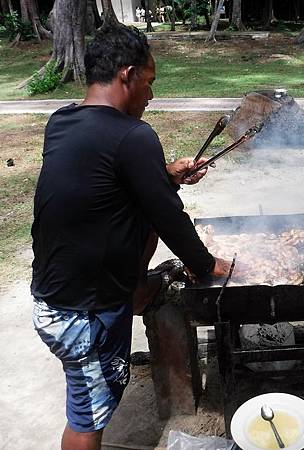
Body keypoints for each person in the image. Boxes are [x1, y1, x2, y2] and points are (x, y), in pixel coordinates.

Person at [31, 25, 231, 450]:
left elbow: (105, 191)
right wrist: (208, 265)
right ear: (127, 74)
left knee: (91, 403)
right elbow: (168, 217)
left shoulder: (62, 122)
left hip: (56, 297)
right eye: (150, 82)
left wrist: (164, 177)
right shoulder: (134, 136)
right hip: (81, 312)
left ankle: (137, 295)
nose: (151, 95)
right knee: (87, 418)